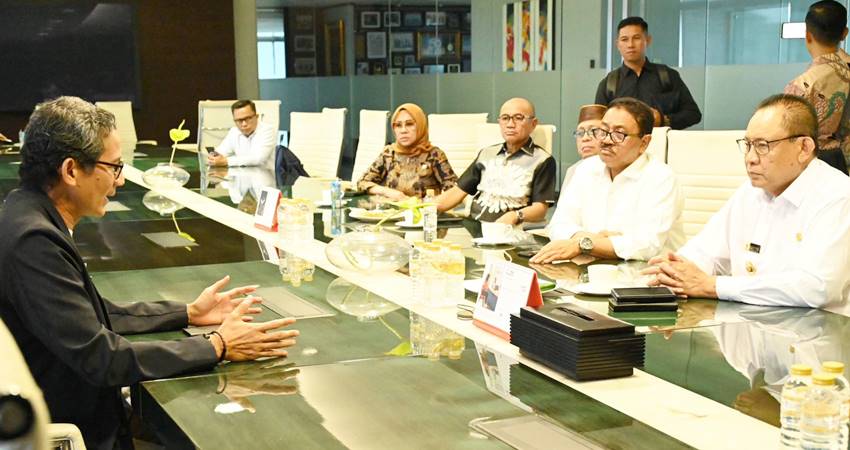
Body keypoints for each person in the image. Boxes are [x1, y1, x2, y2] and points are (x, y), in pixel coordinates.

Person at [0, 97, 299, 449]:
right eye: (113, 166)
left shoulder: (23, 213)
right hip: (85, 429)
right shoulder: (34, 240)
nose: (121, 179)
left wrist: (187, 313)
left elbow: (94, 313)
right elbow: (101, 358)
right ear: (70, 171)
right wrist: (217, 346)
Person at [644, 94, 850, 315]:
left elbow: (817, 288)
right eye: (748, 145)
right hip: (747, 324)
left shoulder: (838, 195)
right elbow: (707, 250)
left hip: (816, 335)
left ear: (804, 148)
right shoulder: (750, 192)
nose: (750, 158)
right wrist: (676, 269)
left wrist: (713, 285)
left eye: (762, 146)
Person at [530, 98, 684, 263]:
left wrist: (583, 245)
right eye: (602, 130)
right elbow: (559, 224)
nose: (605, 140)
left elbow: (646, 245)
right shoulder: (586, 168)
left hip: (646, 277)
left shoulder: (660, 177)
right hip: (591, 269)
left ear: (644, 143)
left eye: (619, 134)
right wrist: (590, 241)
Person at [436, 97, 556, 224]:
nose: (510, 124)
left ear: (533, 124)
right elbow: (457, 192)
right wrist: (427, 207)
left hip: (511, 231)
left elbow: (540, 209)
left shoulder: (543, 160)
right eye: (505, 118)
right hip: (473, 225)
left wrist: (516, 216)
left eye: (518, 118)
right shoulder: (487, 153)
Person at [595, 17, 702, 130]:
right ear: (617, 44)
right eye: (624, 39)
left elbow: (693, 114)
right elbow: (597, 123)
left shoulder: (667, 76)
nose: (630, 45)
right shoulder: (609, 83)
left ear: (648, 40)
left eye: (636, 38)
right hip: (623, 145)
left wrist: (663, 120)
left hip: (662, 145)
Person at [784, 0, 850, 168]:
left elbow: (787, 138)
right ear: (844, 34)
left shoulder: (801, 86)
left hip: (813, 165)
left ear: (807, 34)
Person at [357, 103, 458, 200]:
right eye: (398, 125)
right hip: (392, 214)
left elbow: (455, 191)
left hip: (423, 214)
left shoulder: (434, 155)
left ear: (420, 126)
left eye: (409, 124)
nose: (403, 130)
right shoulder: (389, 153)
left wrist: (431, 203)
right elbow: (362, 182)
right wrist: (387, 192)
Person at [208, 100, 277, 170]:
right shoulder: (234, 132)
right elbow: (220, 152)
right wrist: (214, 158)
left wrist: (226, 161)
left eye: (248, 118)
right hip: (241, 176)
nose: (244, 124)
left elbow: (258, 159)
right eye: (239, 120)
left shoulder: (267, 130)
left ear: (256, 116)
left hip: (264, 176)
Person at [561, 104, 607, 189]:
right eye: (580, 133)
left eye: (594, 131)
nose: (585, 138)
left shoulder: (613, 168)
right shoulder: (572, 170)